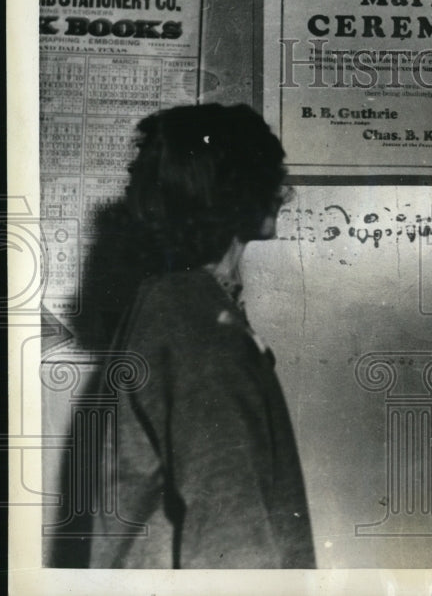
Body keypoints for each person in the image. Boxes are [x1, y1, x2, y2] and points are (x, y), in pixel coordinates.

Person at [87, 104, 315, 568]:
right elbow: (230, 533)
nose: (282, 193)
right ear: (231, 193)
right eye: (268, 177)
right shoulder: (194, 319)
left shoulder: (180, 302)